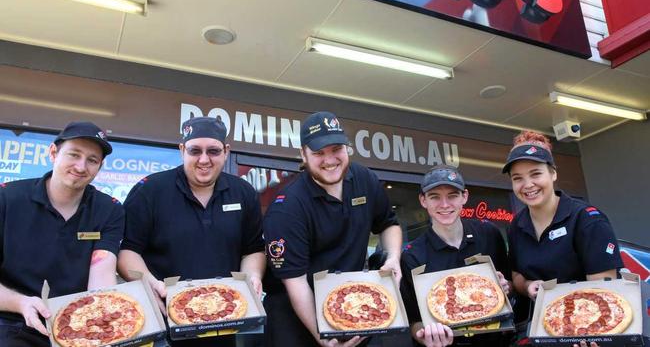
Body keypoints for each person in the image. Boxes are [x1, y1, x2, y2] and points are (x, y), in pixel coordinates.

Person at [117, 116, 265, 347]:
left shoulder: (243, 192)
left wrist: (252, 277)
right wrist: (151, 284)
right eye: (195, 150)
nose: (204, 160)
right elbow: (127, 252)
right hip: (163, 323)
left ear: (226, 151)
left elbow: (253, 249)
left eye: (213, 151)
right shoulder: (149, 190)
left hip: (225, 320)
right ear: (182, 150)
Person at [262, 111, 403, 347]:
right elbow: (295, 283)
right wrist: (325, 338)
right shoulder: (287, 208)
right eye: (318, 153)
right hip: (295, 316)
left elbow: (389, 224)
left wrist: (394, 258)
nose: (330, 160)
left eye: (336, 149)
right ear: (303, 155)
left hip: (352, 304)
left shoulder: (363, 179)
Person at [0, 121, 124, 346]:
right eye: (74, 155)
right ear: (53, 153)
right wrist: (20, 303)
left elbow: (102, 276)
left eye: (92, 160)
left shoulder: (109, 210)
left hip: (78, 323)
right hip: (11, 318)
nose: (81, 166)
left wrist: (102, 320)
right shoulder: (7, 199)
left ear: (100, 166)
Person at [503, 131, 624, 347]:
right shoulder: (517, 225)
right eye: (517, 178)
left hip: (586, 330)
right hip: (539, 332)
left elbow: (605, 290)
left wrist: (585, 330)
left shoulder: (587, 220)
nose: (528, 184)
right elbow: (516, 274)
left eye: (535, 174)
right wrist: (529, 285)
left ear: (553, 174)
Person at [400, 165, 511, 347]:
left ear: (464, 197)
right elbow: (413, 321)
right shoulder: (412, 255)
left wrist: (507, 287)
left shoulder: (488, 233)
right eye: (435, 197)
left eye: (452, 195)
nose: (444, 205)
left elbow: (510, 284)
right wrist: (427, 337)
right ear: (423, 200)